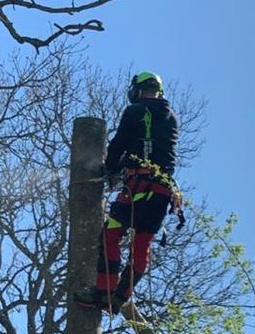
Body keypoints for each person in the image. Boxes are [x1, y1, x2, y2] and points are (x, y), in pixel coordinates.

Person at [76, 71, 179, 312]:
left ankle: (105, 292)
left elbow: (119, 144)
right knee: (141, 245)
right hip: (162, 193)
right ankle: (121, 296)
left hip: (138, 189)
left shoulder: (134, 111)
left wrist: (111, 170)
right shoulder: (171, 118)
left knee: (110, 236)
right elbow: (158, 152)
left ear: (137, 90)